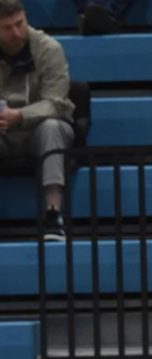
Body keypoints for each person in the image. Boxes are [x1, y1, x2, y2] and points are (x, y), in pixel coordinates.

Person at [0, 0, 74, 240]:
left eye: (20, 24)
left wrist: (20, 116)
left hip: (39, 127)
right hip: (3, 131)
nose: (16, 33)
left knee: (52, 127)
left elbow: (56, 102)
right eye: (7, 28)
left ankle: (53, 215)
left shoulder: (49, 48)